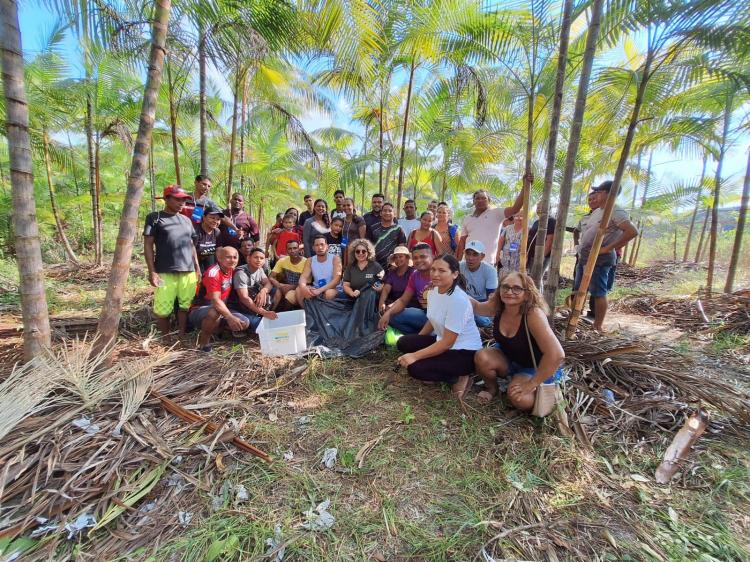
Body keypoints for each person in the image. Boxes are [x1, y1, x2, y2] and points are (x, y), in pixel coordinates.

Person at [472, 271, 565, 411]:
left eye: (517, 288)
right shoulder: (499, 306)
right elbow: (477, 307)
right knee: (482, 357)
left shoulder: (533, 314)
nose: (509, 292)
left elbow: (557, 355)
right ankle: (492, 388)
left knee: (520, 399)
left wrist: (531, 384)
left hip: (534, 367)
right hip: (509, 359)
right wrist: (450, 287)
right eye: (505, 287)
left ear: (527, 294)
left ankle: (524, 384)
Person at [396, 254, 482, 399]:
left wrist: (415, 356)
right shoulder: (434, 291)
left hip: (464, 352)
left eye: (442, 271)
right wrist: (416, 343)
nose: (435, 274)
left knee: (415, 368)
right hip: (442, 342)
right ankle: (441, 367)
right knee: (404, 342)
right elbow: (431, 320)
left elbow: (447, 343)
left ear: (455, 274)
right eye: (433, 269)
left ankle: (460, 375)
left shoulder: (458, 300)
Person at [574, 180, 638, 332]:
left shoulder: (616, 211)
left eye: (599, 192)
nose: (595, 195)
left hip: (599, 260)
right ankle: (575, 317)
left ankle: (597, 325)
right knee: (579, 289)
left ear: (608, 194)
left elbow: (632, 232)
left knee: (598, 293)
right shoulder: (598, 211)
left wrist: (606, 249)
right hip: (585, 258)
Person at [143, 185, 201, 337]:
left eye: (184, 200)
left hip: (188, 271)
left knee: (185, 306)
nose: (181, 203)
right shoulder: (154, 218)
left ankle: (181, 334)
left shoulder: (186, 220)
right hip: (164, 270)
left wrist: (196, 267)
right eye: (177, 199)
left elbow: (191, 245)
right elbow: (148, 245)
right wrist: (152, 271)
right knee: (163, 308)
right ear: (166, 199)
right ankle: (166, 337)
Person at [189, 246, 249, 352]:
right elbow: (216, 301)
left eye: (235, 257)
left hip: (220, 308)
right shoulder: (213, 273)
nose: (232, 260)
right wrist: (230, 317)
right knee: (214, 312)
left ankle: (217, 330)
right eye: (228, 257)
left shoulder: (231, 270)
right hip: (200, 309)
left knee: (245, 322)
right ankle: (204, 344)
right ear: (219, 258)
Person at [457, 188, 524, 264]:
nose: (480, 200)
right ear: (473, 201)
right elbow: (462, 242)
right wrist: (458, 263)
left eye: (484, 198)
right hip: (468, 263)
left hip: (488, 263)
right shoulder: (467, 219)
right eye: (477, 198)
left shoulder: (496, 213)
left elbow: (515, 209)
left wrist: (524, 188)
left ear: (489, 201)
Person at [377, 244, 433, 334]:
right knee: (390, 315)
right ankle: (417, 337)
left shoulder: (438, 273)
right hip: (425, 314)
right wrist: (388, 312)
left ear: (432, 257)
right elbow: (402, 300)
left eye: (423, 257)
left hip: (441, 318)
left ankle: (422, 337)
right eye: (415, 258)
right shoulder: (415, 275)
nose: (419, 260)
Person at [229, 246, 280, 331]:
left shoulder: (259, 269)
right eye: (256, 257)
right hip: (239, 307)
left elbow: (268, 283)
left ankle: (260, 314)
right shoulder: (241, 273)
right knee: (256, 325)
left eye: (261, 258)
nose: (259, 260)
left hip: (252, 302)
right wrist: (264, 312)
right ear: (248, 258)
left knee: (277, 292)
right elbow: (244, 298)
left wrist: (263, 291)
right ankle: (232, 327)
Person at [292, 235, 342, 305]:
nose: (320, 247)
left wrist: (319, 290)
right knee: (299, 290)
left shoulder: (335, 259)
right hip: (316, 288)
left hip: (333, 288)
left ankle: (326, 314)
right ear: (313, 248)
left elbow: (336, 280)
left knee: (329, 293)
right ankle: (308, 313)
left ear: (327, 247)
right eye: (317, 245)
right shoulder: (310, 260)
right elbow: (303, 277)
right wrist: (303, 287)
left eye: (322, 245)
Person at [459, 240, 498, 328]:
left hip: (482, 305)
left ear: (482, 256)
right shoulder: (459, 266)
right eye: (468, 254)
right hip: (464, 304)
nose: (470, 258)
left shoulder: (490, 271)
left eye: (475, 254)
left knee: (482, 320)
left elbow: (491, 299)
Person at [368, 202, 407, 269]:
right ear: (381, 213)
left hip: (392, 266)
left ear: (394, 214)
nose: (387, 213)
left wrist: (394, 263)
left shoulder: (399, 229)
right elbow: (368, 246)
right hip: (374, 265)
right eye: (385, 210)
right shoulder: (373, 228)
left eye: (390, 211)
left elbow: (401, 249)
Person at [270, 239, 307, 306]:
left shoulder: (306, 262)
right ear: (286, 250)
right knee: (276, 292)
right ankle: (272, 311)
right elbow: (271, 276)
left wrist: (291, 287)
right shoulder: (282, 261)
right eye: (290, 249)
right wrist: (279, 285)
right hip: (285, 286)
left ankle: (289, 313)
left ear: (299, 249)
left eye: (295, 248)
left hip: (300, 289)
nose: (292, 251)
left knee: (289, 296)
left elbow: (308, 283)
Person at [526, 202, 556, 286]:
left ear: (548, 209)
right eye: (537, 207)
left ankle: (538, 298)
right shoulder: (536, 222)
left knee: (537, 279)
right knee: (532, 279)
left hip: (542, 256)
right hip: (532, 255)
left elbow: (550, 240)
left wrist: (542, 257)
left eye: (541, 207)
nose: (538, 209)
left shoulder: (551, 221)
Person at [379, 246, 414, 313]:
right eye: (396, 257)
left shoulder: (413, 273)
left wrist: (392, 306)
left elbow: (408, 296)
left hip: (408, 305)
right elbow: (386, 290)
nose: (398, 259)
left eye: (400, 256)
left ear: (407, 258)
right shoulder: (391, 273)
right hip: (392, 303)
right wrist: (381, 304)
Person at [193, 203, 223, 273]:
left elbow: (219, 250)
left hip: (210, 264)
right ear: (204, 217)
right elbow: (191, 252)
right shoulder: (196, 231)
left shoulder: (217, 232)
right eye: (212, 218)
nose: (215, 221)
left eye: (218, 219)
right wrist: (197, 269)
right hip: (195, 263)